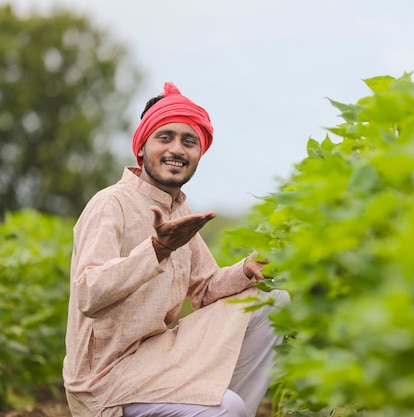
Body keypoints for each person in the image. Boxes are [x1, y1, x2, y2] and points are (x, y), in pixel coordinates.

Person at [63, 82, 289, 417]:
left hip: (158, 356)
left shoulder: (178, 212)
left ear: (200, 153)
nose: (177, 149)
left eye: (189, 141)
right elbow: (88, 294)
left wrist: (246, 270)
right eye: (164, 137)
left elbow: (204, 289)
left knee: (274, 303)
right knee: (228, 409)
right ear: (141, 148)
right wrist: (156, 249)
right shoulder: (111, 204)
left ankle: (219, 406)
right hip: (106, 379)